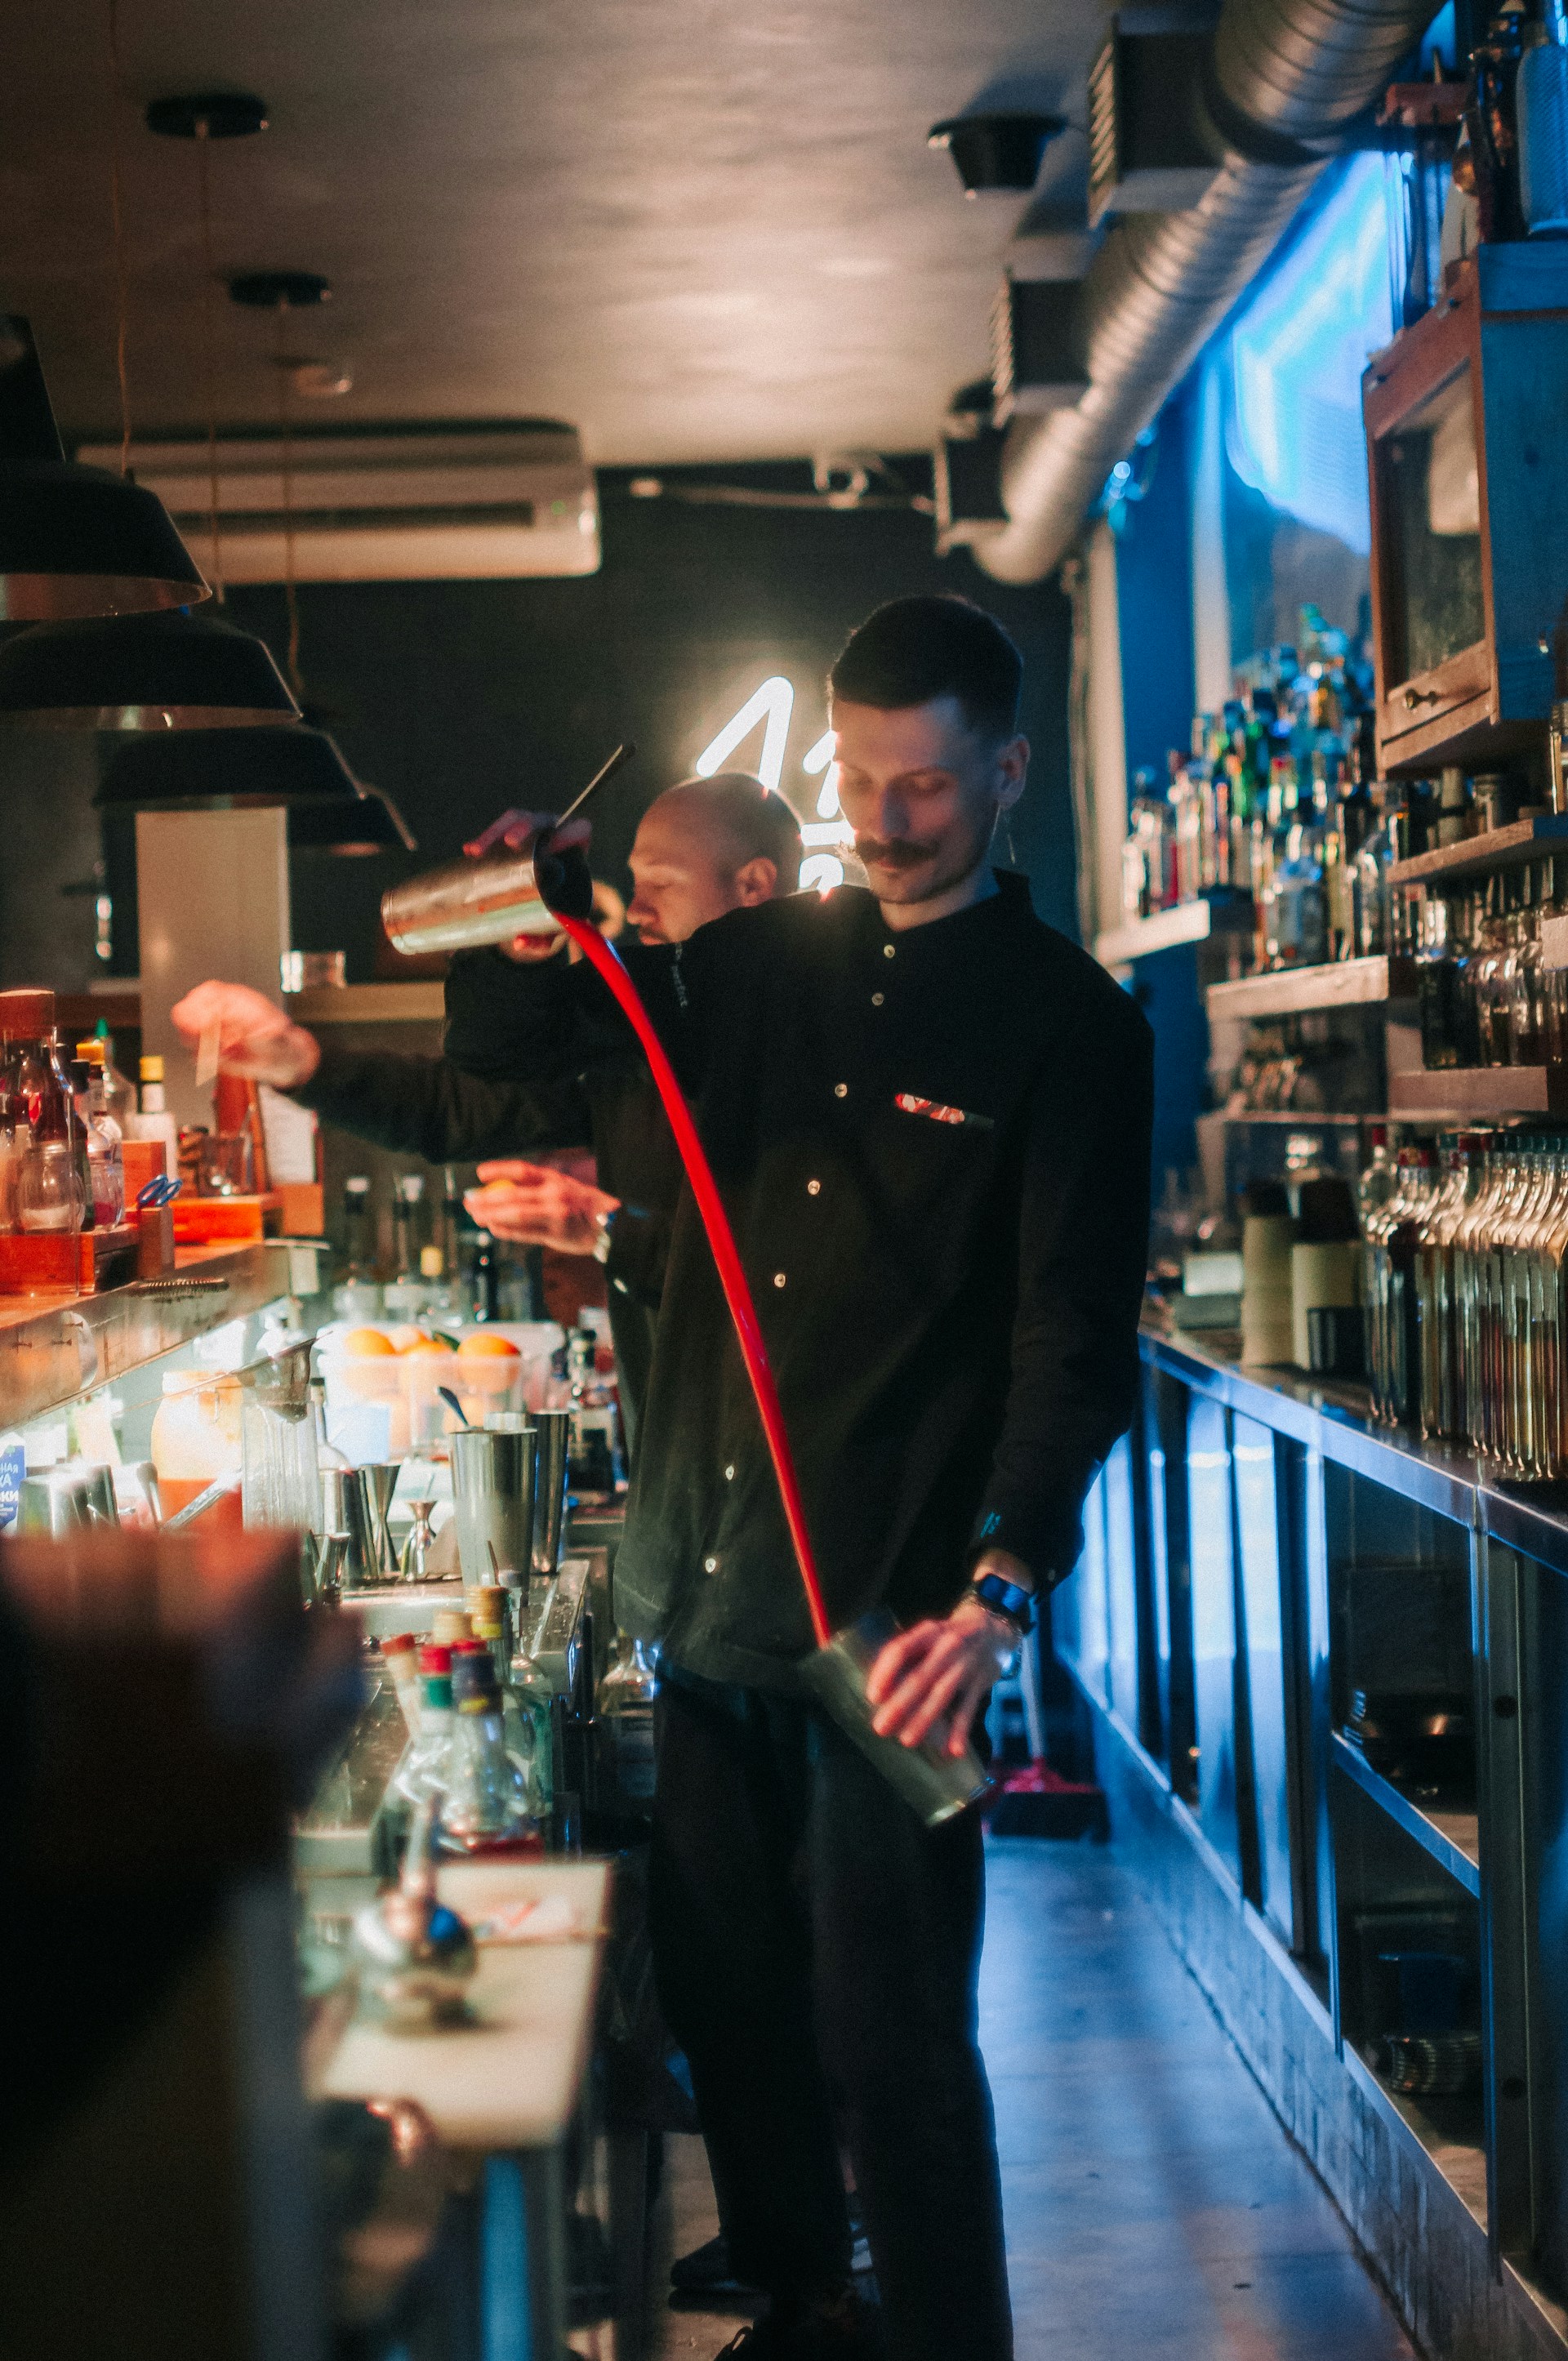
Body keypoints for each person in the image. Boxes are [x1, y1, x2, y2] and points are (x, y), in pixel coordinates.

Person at [179, 595, 1153, 2361]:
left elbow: (1071, 1341)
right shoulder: (758, 967)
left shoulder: (1068, 1025)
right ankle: (800, 2300)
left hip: (895, 1614)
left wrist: (1005, 1581)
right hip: (695, 1592)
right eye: (860, 777)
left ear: (1006, 773)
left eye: (923, 784)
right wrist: (483, 954)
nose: (883, 813)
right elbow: (517, 1092)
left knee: (895, 2039)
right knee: (730, 2000)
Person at [173, 771, 801, 1442]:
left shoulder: (819, 1047)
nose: (637, 908)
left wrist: (602, 1226)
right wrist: (300, 1062)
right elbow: (460, 1105)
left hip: (793, 1471)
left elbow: (785, 1283)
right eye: (634, 880)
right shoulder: (637, 1041)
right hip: (674, 1476)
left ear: (754, 886)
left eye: (663, 883)